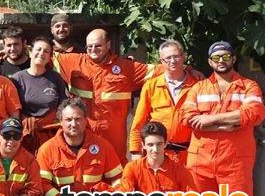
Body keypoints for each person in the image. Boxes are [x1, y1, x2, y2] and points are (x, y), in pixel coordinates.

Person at [180, 41, 265, 196]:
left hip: (235, 161)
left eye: (226, 56)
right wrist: (231, 121)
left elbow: (254, 114)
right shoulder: (197, 89)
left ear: (233, 58)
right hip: (201, 160)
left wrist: (210, 120)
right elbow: (187, 118)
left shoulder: (248, 86)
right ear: (209, 62)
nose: (221, 60)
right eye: (216, 56)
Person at [54, 28, 155, 163]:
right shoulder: (73, 62)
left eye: (98, 45)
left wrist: (188, 70)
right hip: (84, 132)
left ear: (108, 45)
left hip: (114, 139)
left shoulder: (126, 68)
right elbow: (42, 54)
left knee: (116, 171)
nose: (93, 49)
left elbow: (165, 69)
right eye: (89, 46)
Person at [128, 39, 199, 162]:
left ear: (184, 57)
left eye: (176, 56)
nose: (172, 61)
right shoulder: (151, 86)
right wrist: (136, 152)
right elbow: (138, 123)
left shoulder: (198, 85)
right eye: (168, 58)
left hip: (190, 155)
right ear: (161, 61)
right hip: (158, 154)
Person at [11, 36, 67, 153]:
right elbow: (12, 108)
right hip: (25, 134)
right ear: (30, 52)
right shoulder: (17, 78)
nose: (41, 53)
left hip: (51, 133)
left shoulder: (55, 78)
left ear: (49, 57)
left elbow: (64, 104)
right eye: (38, 49)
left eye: (46, 51)